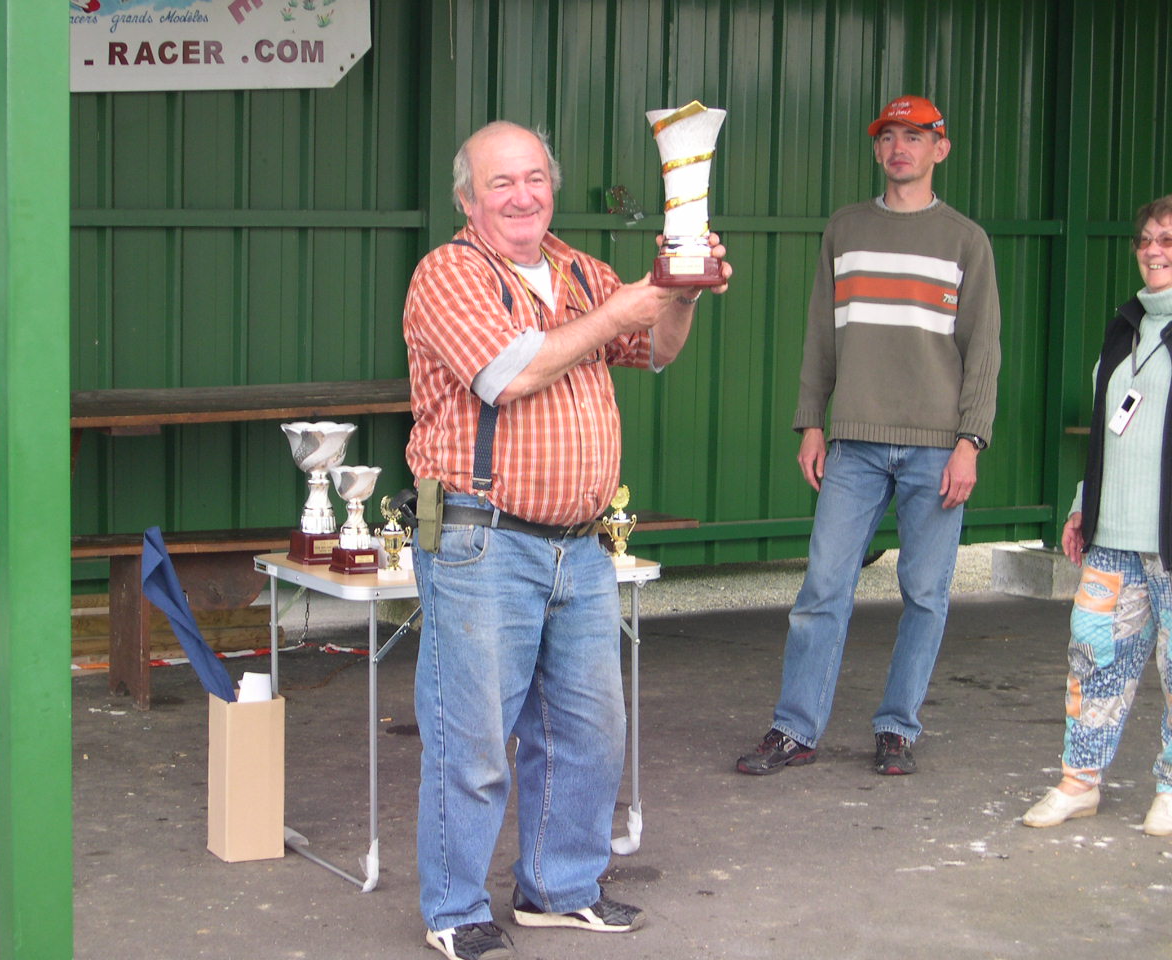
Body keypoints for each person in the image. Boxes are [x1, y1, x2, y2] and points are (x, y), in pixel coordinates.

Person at [402, 120, 730, 960]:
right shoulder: (447, 273)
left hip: (580, 545)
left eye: (534, 179)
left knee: (588, 731)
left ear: (552, 184)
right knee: (472, 740)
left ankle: (558, 887)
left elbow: (655, 350)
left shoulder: (583, 269)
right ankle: (454, 908)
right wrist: (622, 305)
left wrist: (680, 290)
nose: (522, 196)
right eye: (500, 183)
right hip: (483, 541)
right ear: (468, 199)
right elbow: (509, 374)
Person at [736, 95, 1001, 778]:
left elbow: (983, 350)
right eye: (888, 137)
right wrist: (811, 423)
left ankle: (898, 727)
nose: (899, 148)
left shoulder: (966, 239)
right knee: (822, 588)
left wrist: (971, 440)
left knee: (925, 592)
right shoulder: (845, 229)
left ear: (940, 148)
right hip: (851, 441)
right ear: (877, 148)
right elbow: (821, 333)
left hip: (938, 446)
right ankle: (795, 729)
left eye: (914, 137)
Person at [1022, 195, 1172, 835]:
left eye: (1167, 238)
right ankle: (1079, 782)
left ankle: (1170, 788)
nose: (1153, 250)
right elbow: (1107, 435)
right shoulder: (1125, 328)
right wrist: (1084, 508)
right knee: (1093, 657)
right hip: (1113, 537)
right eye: (1144, 240)